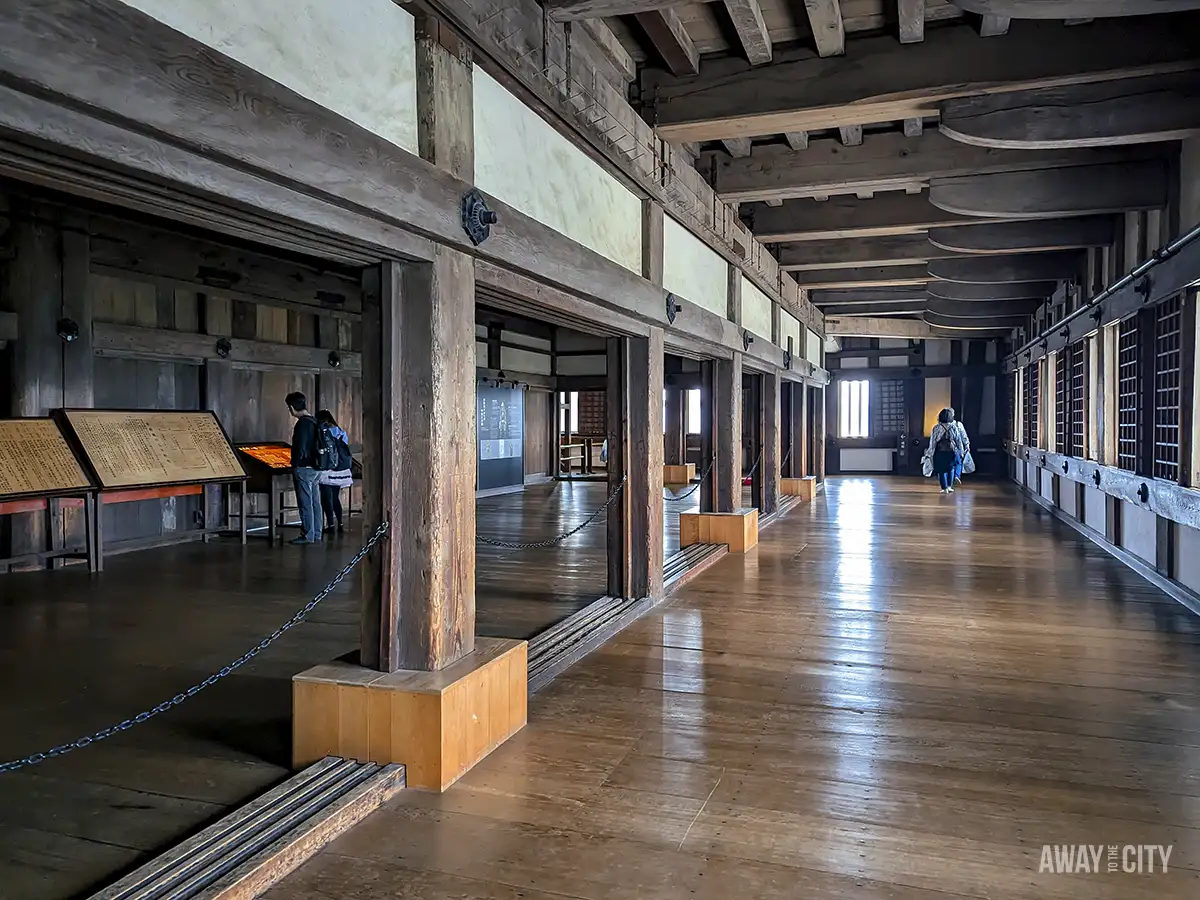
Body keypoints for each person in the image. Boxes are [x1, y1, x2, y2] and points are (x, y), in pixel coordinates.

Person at [285, 391, 323, 544]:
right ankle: (317, 533)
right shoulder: (314, 421)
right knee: (315, 501)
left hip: (304, 467)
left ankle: (308, 534)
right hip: (316, 467)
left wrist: (295, 463)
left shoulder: (302, 424)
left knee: (305, 502)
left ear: (292, 407)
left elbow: (300, 447)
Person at [316, 410, 353, 533]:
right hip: (340, 469)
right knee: (335, 498)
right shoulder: (341, 432)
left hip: (328, 468)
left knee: (326, 499)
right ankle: (340, 524)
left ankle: (331, 525)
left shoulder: (324, 431)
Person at [925, 407, 970, 494]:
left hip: (940, 451)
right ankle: (950, 486)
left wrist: (930, 452)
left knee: (941, 470)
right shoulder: (953, 427)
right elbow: (958, 440)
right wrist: (961, 452)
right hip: (951, 451)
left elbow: (933, 441)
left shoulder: (936, 428)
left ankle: (944, 487)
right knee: (951, 468)